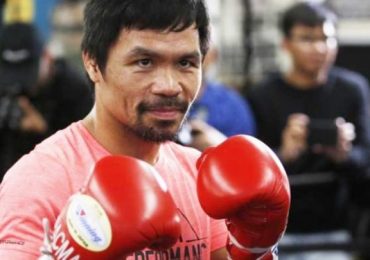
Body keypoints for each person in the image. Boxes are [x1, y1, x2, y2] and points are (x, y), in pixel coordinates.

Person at [0, 0, 290, 259]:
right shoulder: (39, 182)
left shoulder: (197, 175)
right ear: (92, 63)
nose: (169, 86)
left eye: (186, 63)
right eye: (144, 62)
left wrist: (255, 250)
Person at [247, 2, 370, 259]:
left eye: (326, 38)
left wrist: (343, 155)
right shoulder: (263, 95)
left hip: (337, 226)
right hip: (279, 230)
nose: (319, 48)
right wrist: (284, 154)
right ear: (286, 44)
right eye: (306, 38)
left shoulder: (352, 90)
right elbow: (251, 176)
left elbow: (365, 160)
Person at [0, 22, 93, 179]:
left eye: (26, 74)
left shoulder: (74, 89)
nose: (19, 85)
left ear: (47, 58)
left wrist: (42, 133)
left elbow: (86, 156)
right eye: (12, 74)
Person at [182, 43, 256, 151]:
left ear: (214, 55)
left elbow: (248, 156)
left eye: (201, 51)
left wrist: (220, 147)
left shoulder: (232, 106)